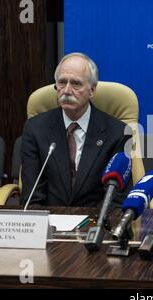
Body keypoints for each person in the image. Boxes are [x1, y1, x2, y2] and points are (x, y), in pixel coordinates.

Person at [21, 52, 131, 207]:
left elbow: (115, 199)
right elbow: (32, 195)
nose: (66, 90)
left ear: (92, 90)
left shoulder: (118, 133)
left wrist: (93, 227)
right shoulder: (35, 129)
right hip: (50, 222)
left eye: (76, 83)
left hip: (95, 223)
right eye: (61, 82)